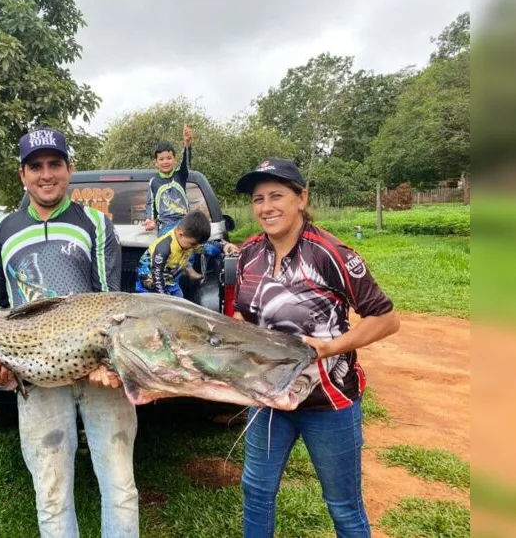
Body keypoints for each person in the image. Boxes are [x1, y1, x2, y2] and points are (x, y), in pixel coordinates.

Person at [0, 128, 139, 538]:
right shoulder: (0, 231)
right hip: (36, 379)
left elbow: (109, 304)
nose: (46, 175)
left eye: (55, 164)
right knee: (50, 493)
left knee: (119, 486)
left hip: (100, 377)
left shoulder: (97, 225)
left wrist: (112, 363)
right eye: (36, 166)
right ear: (22, 175)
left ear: (69, 170)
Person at [231, 158, 400, 538]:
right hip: (267, 398)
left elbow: (386, 319)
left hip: (329, 402)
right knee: (256, 493)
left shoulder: (330, 253)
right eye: (258, 199)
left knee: (343, 506)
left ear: (301, 198)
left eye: (277, 196)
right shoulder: (249, 254)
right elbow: (245, 318)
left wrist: (329, 347)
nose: (266, 207)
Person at [135, 209, 238, 297]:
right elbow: (157, 273)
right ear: (180, 234)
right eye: (192, 244)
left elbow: (206, 246)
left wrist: (223, 246)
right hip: (150, 277)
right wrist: (163, 297)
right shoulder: (164, 247)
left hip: (169, 276)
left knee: (178, 297)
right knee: (156, 300)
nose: (195, 247)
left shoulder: (188, 242)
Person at [143, 125, 194, 236]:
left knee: (207, 249)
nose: (165, 162)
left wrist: (187, 144)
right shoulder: (154, 182)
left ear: (174, 160)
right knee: (168, 249)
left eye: (169, 158)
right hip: (165, 226)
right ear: (156, 162)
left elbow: (186, 161)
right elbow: (150, 204)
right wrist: (149, 219)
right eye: (161, 159)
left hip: (185, 224)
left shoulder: (180, 175)